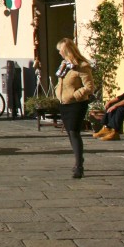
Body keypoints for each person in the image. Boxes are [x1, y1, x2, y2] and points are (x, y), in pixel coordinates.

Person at [53, 37, 95, 178]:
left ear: (67, 51)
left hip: (76, 104)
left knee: (74, 131)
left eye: (61, 50)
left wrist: (74, 95)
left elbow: (89, 87)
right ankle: (79, 157)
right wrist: (57, 91)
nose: (59, 53)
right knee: (70, 133)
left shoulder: (82, 66)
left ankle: (79, 166)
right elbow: (61, 81)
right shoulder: (64, 65)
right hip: (64, 103)